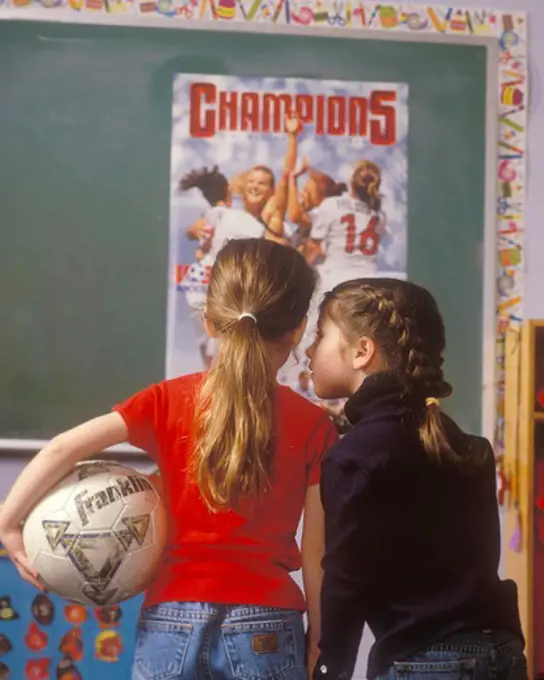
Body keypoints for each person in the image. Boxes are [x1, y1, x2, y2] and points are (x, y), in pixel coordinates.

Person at [0, 238, 338, 680]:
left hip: (172, 618)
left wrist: (8, 524)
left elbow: (64, 447)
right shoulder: (316, 425)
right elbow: (317, 551)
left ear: (211, 321)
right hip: (268, 620)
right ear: (298, 329)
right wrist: (320, 635)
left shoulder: (167, 400)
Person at [306, 278, 527, 680]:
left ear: (362, 351)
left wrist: (327, 669)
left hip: (426, 663)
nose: (308, 350)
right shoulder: (463, 445)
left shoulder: (353, 457)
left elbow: (344, 582)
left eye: (320, 335)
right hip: (502, 652)